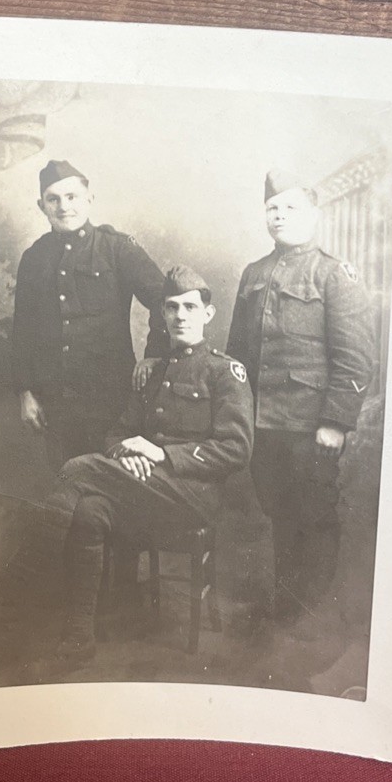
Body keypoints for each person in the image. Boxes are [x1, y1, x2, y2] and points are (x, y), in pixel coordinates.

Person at [53, 266, 254, 663]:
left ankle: (31, 569)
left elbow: (236, 449)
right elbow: (117, 433)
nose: (180, 316)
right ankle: (80, 633)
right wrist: (127, 454)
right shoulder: (154, 372)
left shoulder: (225, 372)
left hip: (192, 495)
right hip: (140, 487)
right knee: (90, 510)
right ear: (162, 314)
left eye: (190, 307)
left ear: (207, 315)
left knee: (77, 469)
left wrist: (162, 455)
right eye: (171, 308)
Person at [227, 169, 376, 629]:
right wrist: (234, 414)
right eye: (273, 208)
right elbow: (235, 355)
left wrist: (335, 423)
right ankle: (285, 605)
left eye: (290, 207)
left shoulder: (334, 275)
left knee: (314, 516)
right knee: (277, 513)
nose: (279, 215)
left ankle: (311, 614)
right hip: (262, 422)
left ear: (314, 214)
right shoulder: (254, 273)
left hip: (311, 426)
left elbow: (355, 359)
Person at [11, 160, 170, 465]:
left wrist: (154, 355)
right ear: (41, 205)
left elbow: (166, 300)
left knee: (116, 486)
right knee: (67, 485)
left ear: (89, 199)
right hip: (55, 402)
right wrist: (25, 392)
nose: (63, 206)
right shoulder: (34, 258)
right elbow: (22, 331)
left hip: (113, 400)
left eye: (71, 197)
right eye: (53, 199)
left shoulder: (117, 248)